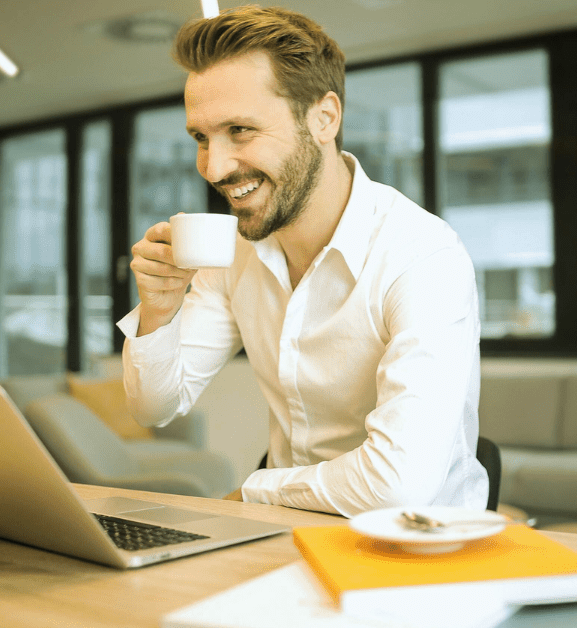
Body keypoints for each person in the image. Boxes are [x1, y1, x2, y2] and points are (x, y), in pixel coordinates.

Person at [117, 5, 486, 517]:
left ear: (324, 118)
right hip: (286, 536)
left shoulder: (423, 255)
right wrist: (158, 310)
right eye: (201, 138)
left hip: (417, 549)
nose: (214, 167)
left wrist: (255, 489)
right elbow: (154, 407)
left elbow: (398, 486)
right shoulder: (236, 254)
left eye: (240, 130)